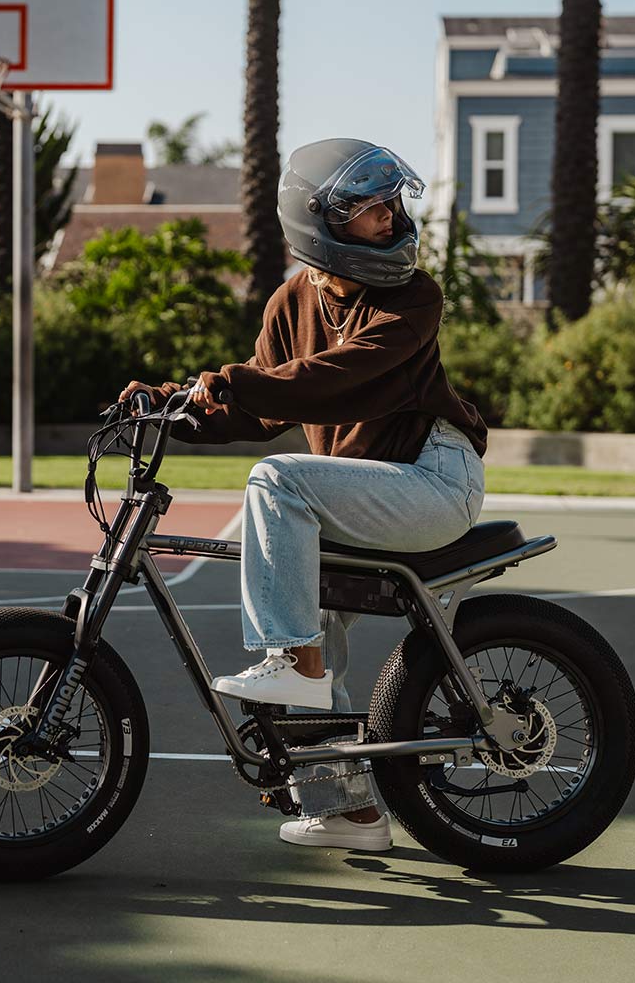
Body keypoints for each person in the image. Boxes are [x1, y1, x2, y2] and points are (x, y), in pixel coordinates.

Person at [119, 137, 488, 852]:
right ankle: (348, 812)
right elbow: (256, 409)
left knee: (277, 483)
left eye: (391, 203)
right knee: (311, 626)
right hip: (358, 491)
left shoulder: (415, 296)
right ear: (320, 223)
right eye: (368, 208)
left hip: (434, 479)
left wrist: (232, 378)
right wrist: (166, 403)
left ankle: (291, 665)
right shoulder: (294, 300)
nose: (389, 217)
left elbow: (336, 377)